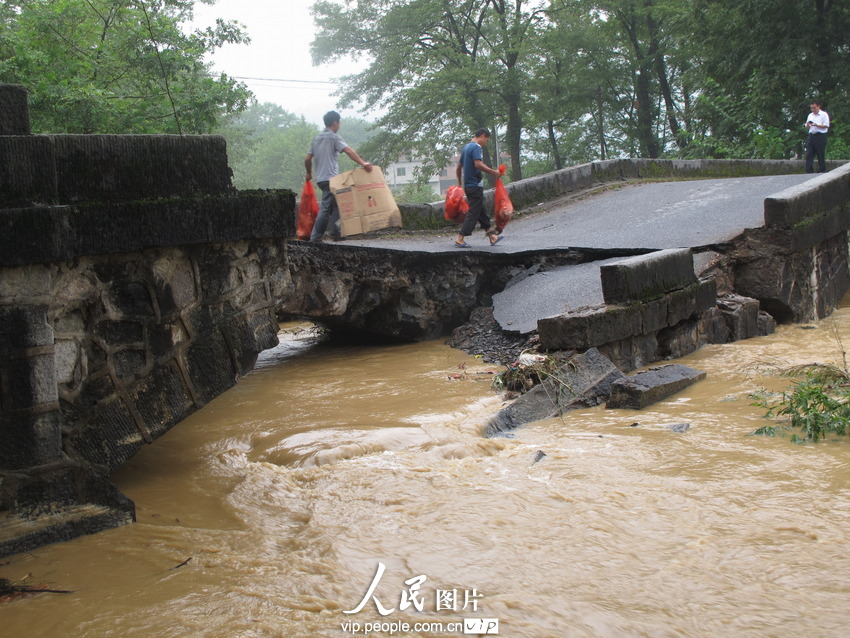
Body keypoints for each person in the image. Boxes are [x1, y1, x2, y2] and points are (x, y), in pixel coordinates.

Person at [305, 111, 373, 241]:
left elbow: (307, 159)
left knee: (338, 204)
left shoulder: (316, 138)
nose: (339, 125)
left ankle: (335, 233)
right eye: (339, 122)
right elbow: (348, 150)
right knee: (325, 208)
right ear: (335, 123)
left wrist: (308, 173)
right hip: (331, 179)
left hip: (320, 179)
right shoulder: (334, 138)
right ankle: (315, 237)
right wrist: (363, 163)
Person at [454, 128, 504, 248]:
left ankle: (492, 237)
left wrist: (460, 183)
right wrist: (493, 172)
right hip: (475, 185)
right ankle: (460, 238)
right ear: (482, 136)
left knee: (481, 212)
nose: (486, 142)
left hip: (468, 185)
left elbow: (458, 167)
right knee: (474, 212)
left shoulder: (466, 148)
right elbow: (478, 164)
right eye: (486, 140)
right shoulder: (476, 147)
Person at [805, 100, 830, 173]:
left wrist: (816, 125)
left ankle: (821, 169)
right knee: (809, 153)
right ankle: (809, 170)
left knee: (820, 153)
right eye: (811, 108)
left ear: (818, 107)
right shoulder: (810, 115)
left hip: (820, 135)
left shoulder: (824, 114)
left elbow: (826, 125)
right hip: (811, 135)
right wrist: (808, 124)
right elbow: (807, 127)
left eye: (814, 108)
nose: (813, 110)